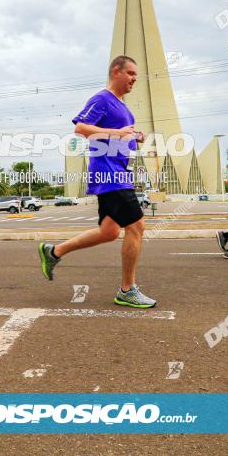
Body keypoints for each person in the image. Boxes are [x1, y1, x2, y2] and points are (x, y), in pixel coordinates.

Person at [38, 55, 156, 308]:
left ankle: (54, 251)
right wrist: (117, 133)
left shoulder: (125, 108)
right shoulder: (102, 99)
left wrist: (135, 136)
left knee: (109, 232)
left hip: (120, 174)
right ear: (116, 71)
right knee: (137, 227)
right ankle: (127, 290)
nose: (135, 78)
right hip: (109, 174)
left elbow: (119, 137)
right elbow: (80, 128)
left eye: (136, 75)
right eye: (131, 73)